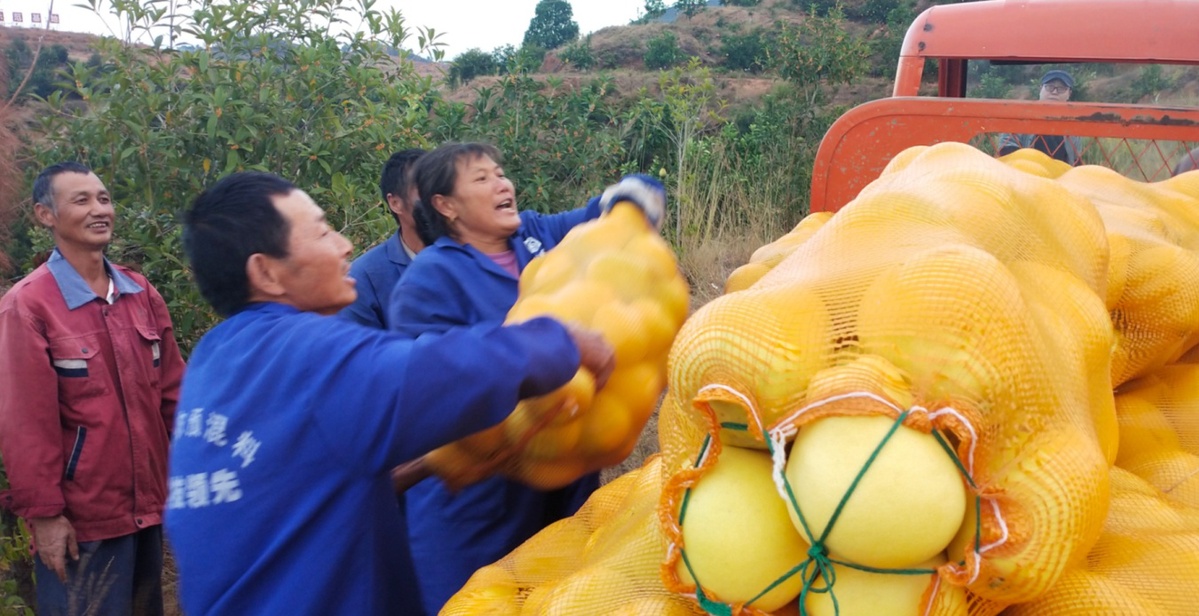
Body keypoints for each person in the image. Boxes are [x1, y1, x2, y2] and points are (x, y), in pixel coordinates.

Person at [165, 171, 614, 616]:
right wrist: (562, 342)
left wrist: (432, 463)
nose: (344, 245)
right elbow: (443, 371)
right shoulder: (307, 355)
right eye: (322, 231)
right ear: (265, 271)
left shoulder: (215, 359)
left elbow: (301, 480)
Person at [388, 142, 666, 613]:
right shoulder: (432, 278)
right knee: (472, 601)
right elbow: (430, 385)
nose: (503, 184)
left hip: (565, 478)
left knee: (559, 595)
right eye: (482, 178)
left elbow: (622, 206)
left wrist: (634, 199)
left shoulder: (539, 234)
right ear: (446, 206)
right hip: (478, 499)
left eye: (501, 173)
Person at [0, 162, 186, 615]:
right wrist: (45, 516)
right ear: (46, 216)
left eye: (103, 198)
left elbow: (174, 396)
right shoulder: (29, 306)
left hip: (148, 507)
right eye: (81, 200)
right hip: (84, 519)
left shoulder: (139, 293)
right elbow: (26, 423)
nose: (99, 209)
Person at [340, 148, 427, 329]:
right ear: (395, 203)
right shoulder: (365, 278)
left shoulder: (475, 254)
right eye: (425, 188)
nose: (438, 198)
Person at [998, 69, 1083, 165]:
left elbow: (1076, 159)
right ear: (1040, 89)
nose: (1054, 92)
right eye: (1050, 87)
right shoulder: (1020, 115)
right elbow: (1006, 149)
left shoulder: (1072, 124)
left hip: (1060, 175)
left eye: (1061, 89)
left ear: (1069, 94)